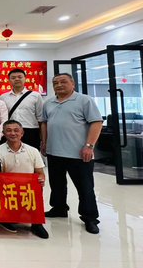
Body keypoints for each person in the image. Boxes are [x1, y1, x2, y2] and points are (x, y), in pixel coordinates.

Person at [41, 73, 103, 234]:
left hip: (79, 154)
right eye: (55, 83)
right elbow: (44, 124)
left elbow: (96, 122)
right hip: (54, 152)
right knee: (57, 185)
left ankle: (90, 218)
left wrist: (89, 145)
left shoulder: (84, 100)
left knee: (85, 187)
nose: (59, 85)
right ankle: (59, 208)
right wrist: (44, 143)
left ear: (72, 83)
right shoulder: (48, 103)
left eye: (63, 82)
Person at [0, 120, 49, 239]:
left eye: (16, 130)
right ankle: (4, 218)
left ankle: (37, 223)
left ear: (22, 133)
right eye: (8, 130)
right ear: (3, 133)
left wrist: (41, 179)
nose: (13, 133)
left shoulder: (33, 151)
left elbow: (40, 173)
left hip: (27, 188)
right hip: (8, 187)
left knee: (37, 187)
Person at [0, 68, 44, 150]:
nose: (17, 79)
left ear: (25, 78)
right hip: (10, 132)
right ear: (9, 80)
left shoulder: (36, 96)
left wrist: (43, 140)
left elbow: (41, 119)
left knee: (31, 155)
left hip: (31, 132)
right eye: (13, 78)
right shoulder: (3, 97)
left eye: (20, 77)